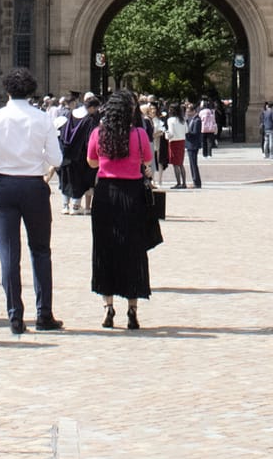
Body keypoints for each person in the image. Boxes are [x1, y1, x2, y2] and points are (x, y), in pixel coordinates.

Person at [0, 67, 65, 336]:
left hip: (4, 185)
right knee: (41, 251)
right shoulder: (43, 118)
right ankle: (44, 314)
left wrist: (0, 159)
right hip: (34, 185)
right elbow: (57, 160)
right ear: (31, 90)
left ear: (7, 90)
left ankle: (15, 316)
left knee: (9, 253)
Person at [87, 90, 156, 330]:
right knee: (133, 250)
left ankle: (108, 307)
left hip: (106, 194)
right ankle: (132, 309)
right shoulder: (138, 134)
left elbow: (92, 162)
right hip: (132, 195)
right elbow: (147, 160)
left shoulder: (98, 133)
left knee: (105, 249)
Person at [58, 95, 98, 215]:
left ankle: (65, 206)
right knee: (79, 180)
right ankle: (76, 206)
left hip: (66, 153)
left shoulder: (69, 115)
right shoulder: (89, 120)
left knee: (66, 179)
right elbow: (89, 140)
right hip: (80, 156)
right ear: (91, 108)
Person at [164, 103, 190, 189]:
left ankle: (178, 183)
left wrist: (166, 134)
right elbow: (186, 130)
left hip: (174, 142)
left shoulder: (170, 120)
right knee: (181, 163)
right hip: (182, 141)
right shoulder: (182, 119)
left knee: (175, 164)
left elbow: (170, 133)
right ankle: (184, 183)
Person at [181, 101, 204, 189]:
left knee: (193, 164)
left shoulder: (197, 120)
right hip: (190, 144)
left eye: (188, 111)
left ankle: (197, 182)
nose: (187, 113)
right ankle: (195, 180)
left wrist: (187, 133)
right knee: (192, 164)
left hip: (193, 144)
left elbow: (195, 133)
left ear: (193, 111)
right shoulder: (191, 119)